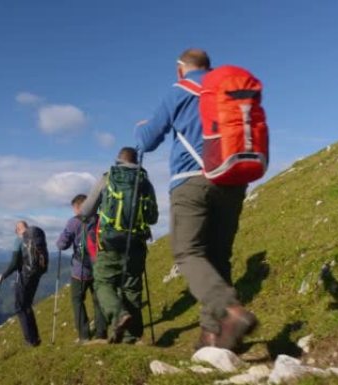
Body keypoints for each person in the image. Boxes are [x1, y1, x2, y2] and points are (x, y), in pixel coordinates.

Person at [135, 48, 257, 350]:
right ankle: (214, 337)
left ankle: (229, 311)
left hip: (192, 182)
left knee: (188, 252)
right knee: (218, 256)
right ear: (209, 66)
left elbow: (148, 140)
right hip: (233, 179)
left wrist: (141, 129)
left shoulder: (179, 90)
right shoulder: (227, 88)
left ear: (181, 69)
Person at [80, 147, 158, 344]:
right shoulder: (145, 182)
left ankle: (118, 315)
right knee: (131, 288)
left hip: (110, 243)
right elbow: (153, 217)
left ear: (118, 161)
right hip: (137, 245)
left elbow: (86, 210)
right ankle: (130, 338)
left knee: (102, 282)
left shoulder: (107, 179)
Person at [56, 194, 108, 343]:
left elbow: (62, 244)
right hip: (99, 267)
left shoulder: (74, 222)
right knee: (99, 301)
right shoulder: (100, 219)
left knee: (77, 301)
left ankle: (84, 336)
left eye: (74, 208)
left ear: (78, 207)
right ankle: (101, 334)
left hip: (80, 270)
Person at [0, 221, 44, 347]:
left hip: (25, 276)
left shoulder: (20, 240)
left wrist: (4, 275)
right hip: (36, 274)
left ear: (18, 229)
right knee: (27, 305)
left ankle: (30, 340)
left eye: (15, 230)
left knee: (20, 307)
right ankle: (35, 338)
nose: (16, 233)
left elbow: (14, 264)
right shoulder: (35, 237)